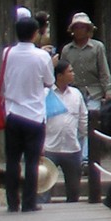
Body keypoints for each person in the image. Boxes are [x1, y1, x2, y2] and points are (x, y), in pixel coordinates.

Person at [0, 14, 55, 212]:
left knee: (12, 160)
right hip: (34, 114)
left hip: (12, 112)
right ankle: (29, 202)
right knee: (32, 161)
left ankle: (12, 202)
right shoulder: (42, 56)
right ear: (34, 34)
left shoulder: (7, 53)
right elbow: (49, 81)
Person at [42, 61, 86, 203]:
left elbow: (83, 117)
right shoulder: (46, 94)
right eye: (70, 71)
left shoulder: (76, 94)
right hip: (49, 146)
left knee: (74, 189)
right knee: (44, 186)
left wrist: (83, 134)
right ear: (59, 75)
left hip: (72, 147)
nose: (73, 74)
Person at [57, 13, 111, 111]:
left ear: (87, 29)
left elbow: (103, 70)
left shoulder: (97, 47)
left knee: (93, 118)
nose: (79, 30)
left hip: (94, 93)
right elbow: (62, 71)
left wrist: (108, 90)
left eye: (82, 27)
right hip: (74, 91)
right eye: (76, 27)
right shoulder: (67, 50)